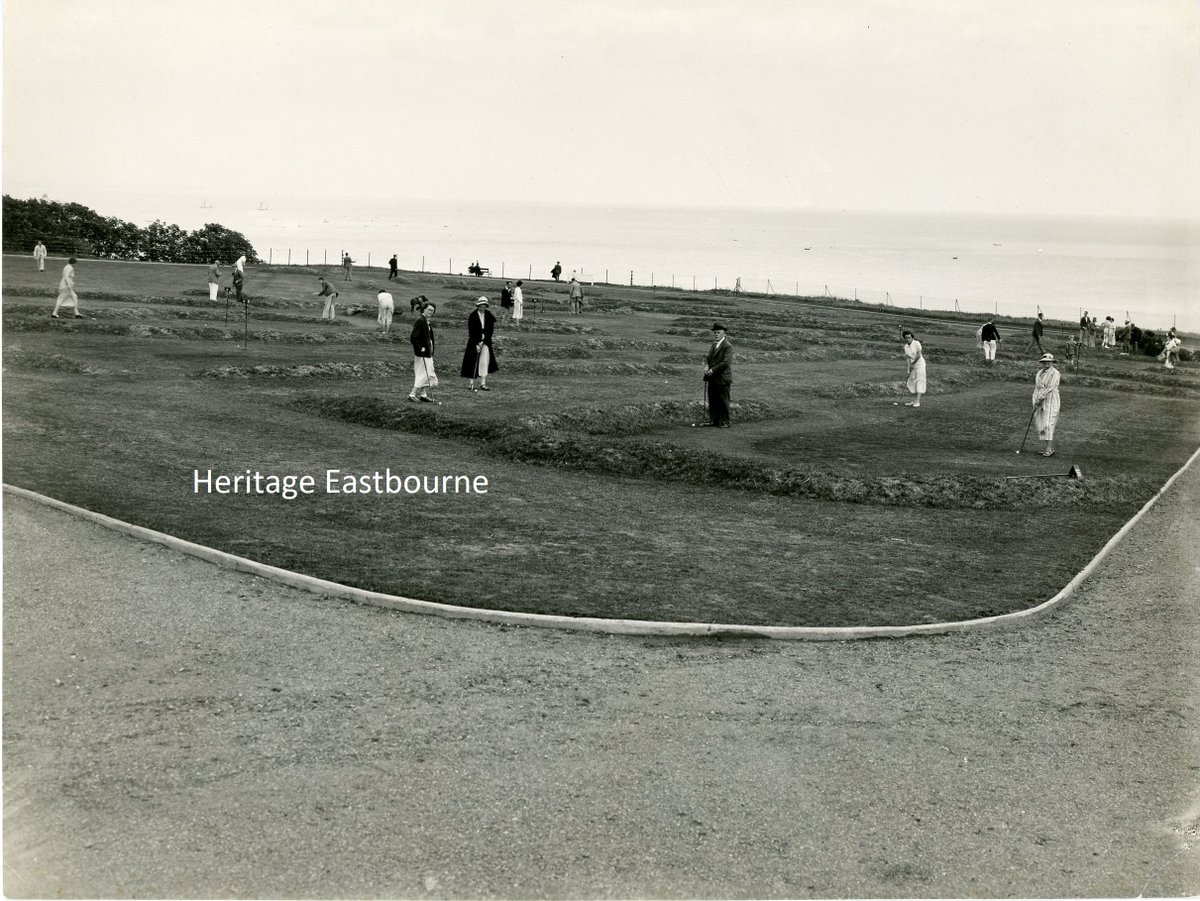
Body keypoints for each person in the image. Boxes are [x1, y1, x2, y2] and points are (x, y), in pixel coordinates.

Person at [460, 297, 499, 391]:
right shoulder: (473, 315)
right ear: (478, 306)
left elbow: (490, 330)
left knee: (484, 362)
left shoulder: (488, 315)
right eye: (481, 306)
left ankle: (483, 383)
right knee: (472, 361)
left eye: (484, 306)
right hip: (473, 342)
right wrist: (477, 343)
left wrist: (483, 341)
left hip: (486, 342)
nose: (483, 308)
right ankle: (471, 383)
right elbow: (471, 331)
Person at [702, 323, 733, 427]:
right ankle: (714, 420)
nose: (716, 334)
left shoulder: (727, 346)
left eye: (718, 332)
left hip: (723, 377)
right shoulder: (714, 344)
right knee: (713, 399)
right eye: (715, 333)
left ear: (724, 334)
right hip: (713, 377)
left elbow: (725, 363)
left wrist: (712, 370)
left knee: (723, 400)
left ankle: (725, 421)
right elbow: (709, 358)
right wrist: (707, 366)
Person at [408, 301, 439, 403]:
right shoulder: (420, 320)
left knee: (427, 373)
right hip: (422, 353)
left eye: (432, 311)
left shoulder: (425, 320)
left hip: (427, 353)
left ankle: (423, 394)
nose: (431, 312)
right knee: (423, 373)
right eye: (429, 310)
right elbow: (413, 337)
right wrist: (420, 348)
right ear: (424, 309)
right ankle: (412, 394)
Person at [1031, 352, 1061, 456]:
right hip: (1039, 400)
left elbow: (1050, 388)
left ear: (1052, 362)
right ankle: (1048, 447)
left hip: (1051, 399)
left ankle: (1048, 449)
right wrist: (1034, 400)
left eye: (1049, 361)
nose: (1046, 363)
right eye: (1044, 362)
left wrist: (1040, 398)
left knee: (1048, 424)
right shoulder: (1039, 373)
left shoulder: (1055, 373)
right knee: (1040, 425)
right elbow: (1037, 388)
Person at [902, 329, 925, 407]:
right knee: (912, 382)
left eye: (909, 337)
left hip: (920, 364)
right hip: (913, 364)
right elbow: (908, 358)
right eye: (906, 338)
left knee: (919, 381)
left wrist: (913, 364)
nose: (908, 339)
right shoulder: (906, 347)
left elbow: (919, 355)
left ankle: (917, 402)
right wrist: (909, 368)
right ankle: (914, 400)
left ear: (912, 337)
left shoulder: (916, 343)